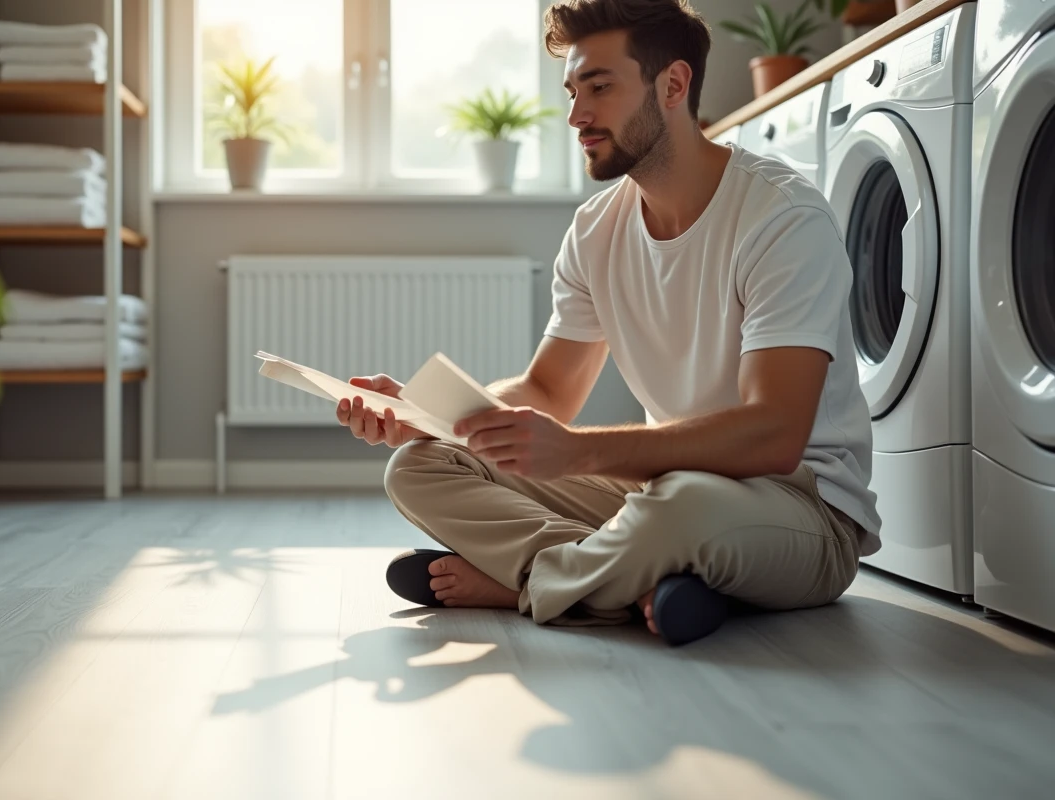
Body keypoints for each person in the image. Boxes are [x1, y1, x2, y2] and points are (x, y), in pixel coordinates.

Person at [336, 0, 881, 645]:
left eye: (599, 88)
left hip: (800, 508)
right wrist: (428, 415)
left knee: (677, 512)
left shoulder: (781, 219)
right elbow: (546, 393)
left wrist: (584, 449)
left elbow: (774, 437)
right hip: (665, 491)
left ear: (673, 85)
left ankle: (530, 585)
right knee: (421, 467)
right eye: (572, 91)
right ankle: (640, 585)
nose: (576, 116)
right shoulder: (597, 231)